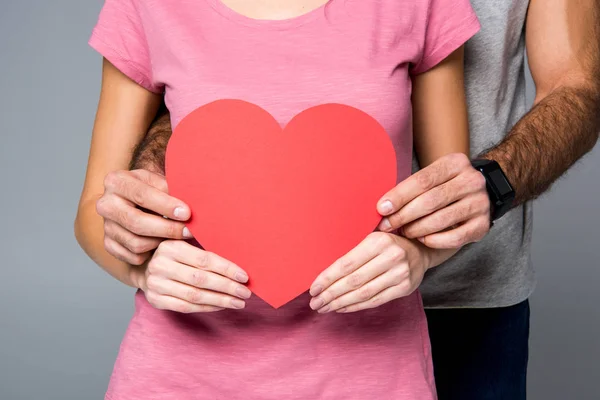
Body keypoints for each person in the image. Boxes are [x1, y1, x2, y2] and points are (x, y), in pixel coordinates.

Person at [89, 0, 600, 399]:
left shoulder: (418, 10)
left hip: (398, 337)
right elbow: (104, 202)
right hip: (185, 363)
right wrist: (145, 258)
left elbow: (458, 176)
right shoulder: (150, 10)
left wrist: (424, 248)